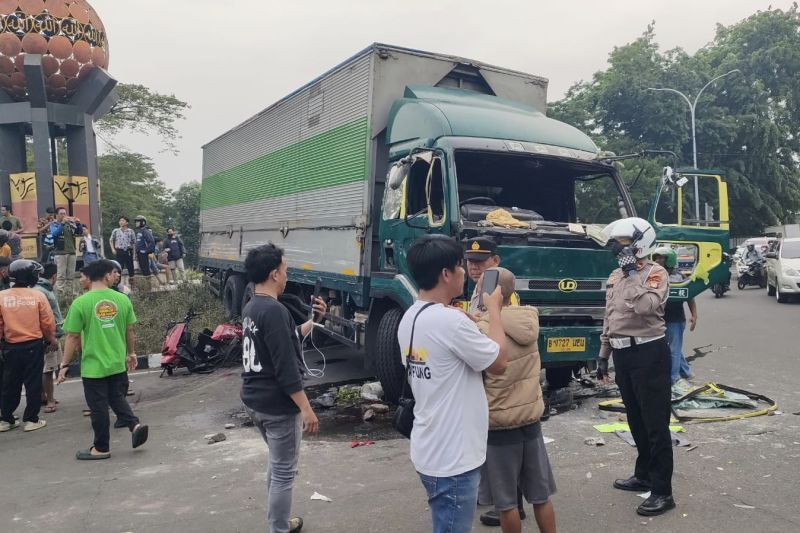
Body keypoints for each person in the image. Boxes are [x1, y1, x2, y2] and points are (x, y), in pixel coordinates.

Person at [397, 234, 508, 533]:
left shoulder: (411, 316)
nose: (465, 272)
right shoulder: (450, 322)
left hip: (429, 447)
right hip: (454, 457)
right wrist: (495, 310)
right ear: (445, 274)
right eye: (460, 266)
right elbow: (498, 362)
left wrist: (465, 323)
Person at [240, 243, 327, 533]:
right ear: (275, 274)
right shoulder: (274, 310)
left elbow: (286, 338)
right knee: (284, 473)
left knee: (278, 467)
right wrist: (306, 408)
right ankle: (279, 528)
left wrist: (314, 321)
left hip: (255, 401)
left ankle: (279, 521)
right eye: (286, 270)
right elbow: (286, 369)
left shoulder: (253, 305)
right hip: (277, 406)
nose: (287, 276)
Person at [598, 217, 674, 517]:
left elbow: (645, 309)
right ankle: (643, 473)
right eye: (617, 246)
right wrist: (603, 353)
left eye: (624, 245)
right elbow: (610, 315)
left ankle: (662, 491)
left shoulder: (656, 274)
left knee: (655, 423)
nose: (618, 250)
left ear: (640, 243)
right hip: (622, 355)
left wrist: (632, 274)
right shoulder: (616, 275)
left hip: (649, 352)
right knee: (635, 419)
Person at [477, 267, 557, 533]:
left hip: (500, 424)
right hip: (531, 420)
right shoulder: (528, 318)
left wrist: (479, 316)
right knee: (540, 495)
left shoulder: (484, 327)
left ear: (490, 293)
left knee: (506, 502)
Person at [57, 260, 148, 460]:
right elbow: (129, 330)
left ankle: (101, 448)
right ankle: (135, 426)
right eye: (113, 273)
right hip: (116, 362)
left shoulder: (80, 303)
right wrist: (131, 353)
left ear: (89, 278)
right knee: (117, 397)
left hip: (93, 366)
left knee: (97, 406)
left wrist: (64, 365)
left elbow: (72, 337)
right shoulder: (122, 299)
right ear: (106, 276)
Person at [0, 260, 57, 433]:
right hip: (33, 345)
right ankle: (31, 419)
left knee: (10, 383)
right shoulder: (38, 296)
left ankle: (5, 419)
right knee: (33, 383)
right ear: (31, 276)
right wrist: (50, 340)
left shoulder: (2, 296)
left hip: (10, 346)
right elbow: (47, 323)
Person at [651, 247, 697, 384]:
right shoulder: (654, 276)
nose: (658, 261)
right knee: (671, 348)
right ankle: (686, 372)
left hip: (675, 319)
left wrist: (694, 315)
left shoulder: (677, 277)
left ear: (669, 260)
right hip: (660, 319)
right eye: (656, 258)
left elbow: (690, 296)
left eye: (661, 258)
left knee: (673, 349)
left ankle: (673, 379)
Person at [34, 263, 64, 414]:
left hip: (47, 334)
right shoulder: (42, 291)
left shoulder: (40, 289)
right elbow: (45, 317)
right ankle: (50, 400)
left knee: (44, 368)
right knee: (48, 368)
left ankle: (43, 396)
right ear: (54, 276)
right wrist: (51, 337)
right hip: (49, 335)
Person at [50, 207, 83, 295]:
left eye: (65, 213)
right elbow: (55, 234)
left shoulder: (70, 224)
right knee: (61, 275)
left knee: (70, 275)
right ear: (56, 215)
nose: (64, 215)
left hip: (71, 251)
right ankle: (60, 294)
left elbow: (79, 232)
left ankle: (68, 294)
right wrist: (63, 223)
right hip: (60, 252)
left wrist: (78, 224)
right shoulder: (54, 224)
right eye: (61, 213)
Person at [109, 216, 136, 288]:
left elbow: (134, 243)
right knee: (119, 267)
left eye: (123, 220)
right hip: (119, 250)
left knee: (131, 268)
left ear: (127, 222)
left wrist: (134, 254)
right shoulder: (116, 231)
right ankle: (117, 285)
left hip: (128, 250)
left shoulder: (131, 231)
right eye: (120, 220)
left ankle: (132, 285)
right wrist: (113, 249)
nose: (121, 222)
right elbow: (111, 240)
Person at [133, 215, 155, 281]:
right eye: (136, 222)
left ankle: (148, 285)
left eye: (138, 222)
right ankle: (146, 285)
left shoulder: (145, 231)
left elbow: (151, 242)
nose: (136, 223)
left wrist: (146, 251)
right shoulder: (138, 231)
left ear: (142, 222)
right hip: (139, 253)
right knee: (142, 269)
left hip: (144, 253)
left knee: (146, 269)